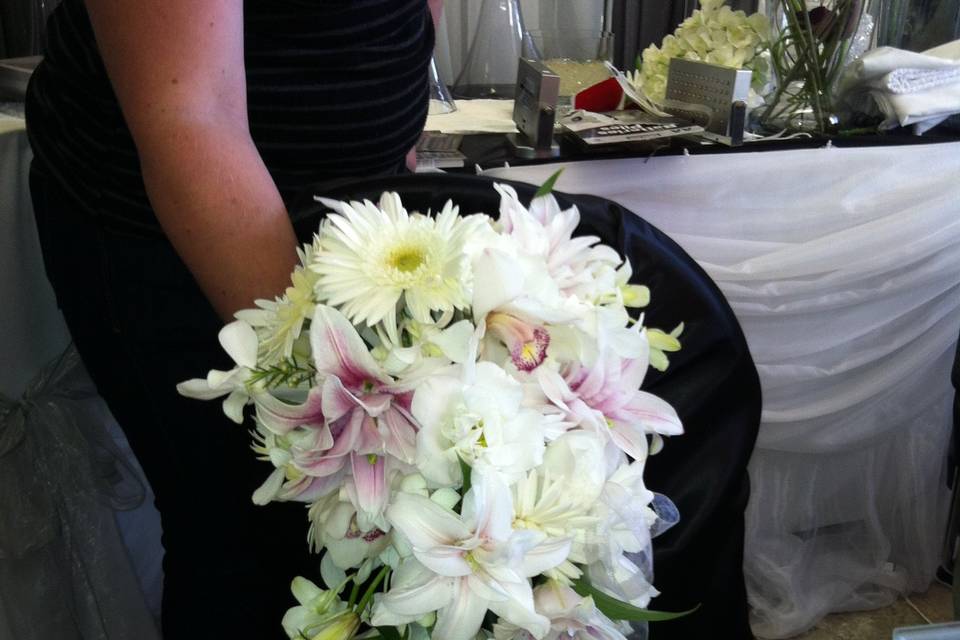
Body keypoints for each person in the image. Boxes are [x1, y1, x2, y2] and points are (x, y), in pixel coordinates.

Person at [25, 0, 440, 637]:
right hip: (179, 225)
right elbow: (191, 116)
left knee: (366, 541)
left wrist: (396, 118)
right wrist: (325, 382)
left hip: (353, 209)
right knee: (246, 545)